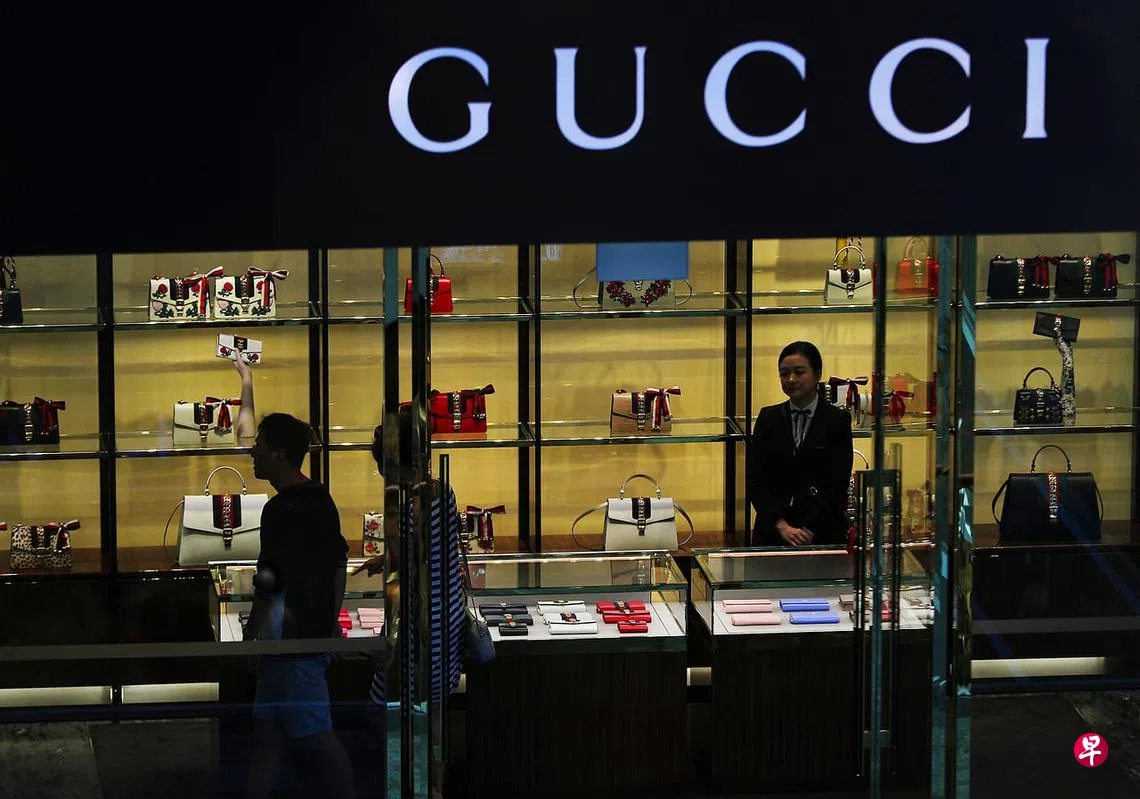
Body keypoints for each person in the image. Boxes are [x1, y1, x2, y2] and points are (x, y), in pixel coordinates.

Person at [241, 401, 356, 798]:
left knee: (315, 738)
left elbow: (268, 580)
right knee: (269, 736)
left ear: (279, 453)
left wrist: (251, 635)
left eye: (259, 444)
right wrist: (328, 625)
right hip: (305, 638)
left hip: (290, 643)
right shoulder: (321, 499)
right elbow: (338, 566)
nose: (253, 452)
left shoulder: (280, 509)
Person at [354, 405, 465, 798]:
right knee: (434, 712)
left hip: (419, 622)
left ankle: (410, 784)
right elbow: (429, 551)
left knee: (388, 709)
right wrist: (388, 559)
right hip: (446, 615)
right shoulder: (443, 491)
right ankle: (433, 787)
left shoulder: (408, 504)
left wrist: (390, 564)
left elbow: (409, 561)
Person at [748, 340, 853, 547]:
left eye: (799, 372)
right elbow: (755, 479)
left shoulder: (837, 420)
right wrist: (781, 525)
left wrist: (810, 529)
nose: (791, 379)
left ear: (817, 374)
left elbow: (838, 482)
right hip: (773, 532)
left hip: (823, 532)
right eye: (784, 374)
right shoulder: (768, 418)